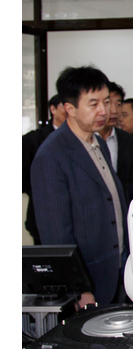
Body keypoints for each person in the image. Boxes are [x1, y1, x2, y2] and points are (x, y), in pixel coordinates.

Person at [31, 66, 129, 308]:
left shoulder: (97, 142)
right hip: (89, 282)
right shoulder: (52, 156)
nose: (104, 111)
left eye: (106, 102)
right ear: (70, 108)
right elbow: (56, 235)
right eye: (93, 104)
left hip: (117, 268)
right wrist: (78, 288)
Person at [22, 94, 67, 245]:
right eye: (64, 106)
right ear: (53, 109)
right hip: (41, 214)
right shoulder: (33, 139)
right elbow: (23, 178)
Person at [96, 82, 133, 203]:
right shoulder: (86, 138)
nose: (114, 110)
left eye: (118, 104)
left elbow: (127, 184)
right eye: (108, 103)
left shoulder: (128, 140)